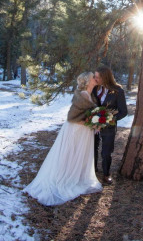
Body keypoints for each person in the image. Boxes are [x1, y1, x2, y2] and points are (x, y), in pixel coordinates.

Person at [24, 72, 102, 206]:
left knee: (78, 155)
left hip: (83, 132)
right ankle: (67, 178)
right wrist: (91, 123)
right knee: (71, 154)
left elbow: (88, 114)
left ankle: (77, 177)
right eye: (92, 78)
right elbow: (72, 118)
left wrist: (96, 122)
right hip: (76, 131)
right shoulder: (82, 95)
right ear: (87, 81)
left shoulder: (89, 95)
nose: (95, 79)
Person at [92, 65, 127, 184]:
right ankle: (93, 171)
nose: (95, 79)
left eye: (97, 77)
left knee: (106, 152)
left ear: (105, 77)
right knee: (92, 148)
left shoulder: (118, 91)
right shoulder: (94, 88)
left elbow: (123, 112)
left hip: (109, 126)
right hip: (93, 124)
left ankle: (106, 174)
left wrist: (109, 119)